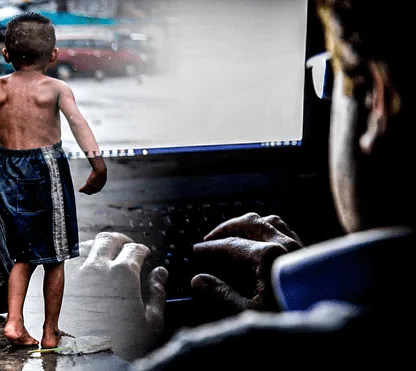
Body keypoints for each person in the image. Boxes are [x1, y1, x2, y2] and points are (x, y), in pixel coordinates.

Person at [125, 0, 416, 368]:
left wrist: (94, 333)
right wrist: (300, 300)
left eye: (331, 75)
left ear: (379, 96)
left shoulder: (211, 360)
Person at [0, 13, 107, 348]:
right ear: (53, 55)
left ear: (5, 54)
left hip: (9, 168)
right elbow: (78, 123)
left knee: (22, 254)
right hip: (45, 169)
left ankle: (15, 324)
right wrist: (97, 163)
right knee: (55, 255)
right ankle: (50, 332)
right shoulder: (55, 88)